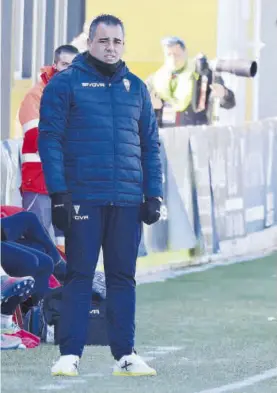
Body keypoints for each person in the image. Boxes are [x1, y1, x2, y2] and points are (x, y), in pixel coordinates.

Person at [38, 14, 163, 377]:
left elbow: (150, 146)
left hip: (126, 201)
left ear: (124, 45)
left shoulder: (137, 88)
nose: (111, 48)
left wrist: (152, 194)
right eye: (104, 41)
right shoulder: (65, 85)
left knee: (123, 277)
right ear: (90, 43)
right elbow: (50, 140)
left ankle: (126, 355)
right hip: (82, 198)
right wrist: (59, 194)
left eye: (117, 42)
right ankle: (69, 355)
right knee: (79, 275)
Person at [18, 44, 79, 248]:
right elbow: (37, 138)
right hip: (39, 181)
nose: (69, 70)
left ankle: (64, 280)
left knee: (66, 243)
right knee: (39, 241)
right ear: (55, 65)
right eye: (64, 64)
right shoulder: (36, 96)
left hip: (67, 182)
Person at [146, 36, 235, 127]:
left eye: (177, 55)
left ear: (185, 54)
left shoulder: (203, 75)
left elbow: (230, 102)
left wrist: (224, 93)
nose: (173, 59)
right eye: (169, 54)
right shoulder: (156, 79)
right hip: (165, 136)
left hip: (195, 135)